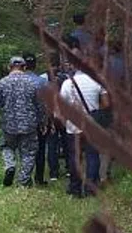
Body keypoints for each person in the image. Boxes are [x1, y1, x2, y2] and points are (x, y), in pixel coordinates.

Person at [0, 55, 44, 186]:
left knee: (6, 146)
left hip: (9, 125)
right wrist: (44, 122)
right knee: (28, 153)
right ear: (25, 67)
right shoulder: (33, 83)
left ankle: (10, 165)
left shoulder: (2, 83)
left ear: (9, 67)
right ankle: (23, 181)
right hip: (29, 125)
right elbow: (40, 106)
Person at [59, 66, 106, 196]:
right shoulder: (96, 81)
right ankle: (91, 188)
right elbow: (106, 103)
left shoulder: (67, 83)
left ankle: (75, 188)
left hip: (73, 125)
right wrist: (95, 108)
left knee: (75, 156)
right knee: (92, 155)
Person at [32, 60, 64, 187]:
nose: (53, 68)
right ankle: (54, 171)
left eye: (55, 65)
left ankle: (59, 170)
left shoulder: (43, 80)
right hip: (51, 115)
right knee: (52, 143)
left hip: (57, 114)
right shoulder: (43, 81)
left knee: (60, 143)